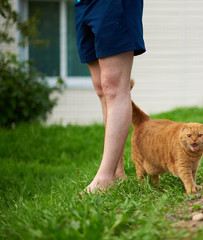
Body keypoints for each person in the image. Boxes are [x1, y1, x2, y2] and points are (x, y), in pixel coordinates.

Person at [74, 0, 145, 193]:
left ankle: (105, 177)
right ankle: (117, 172)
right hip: (83, 4)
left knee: (114, 88)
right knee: (102, 89)